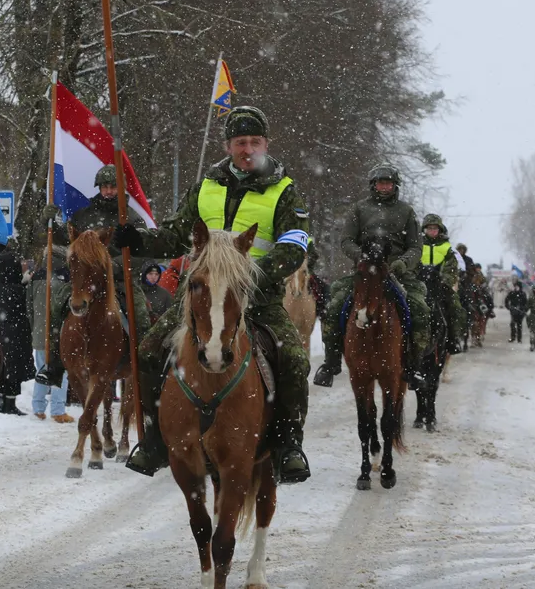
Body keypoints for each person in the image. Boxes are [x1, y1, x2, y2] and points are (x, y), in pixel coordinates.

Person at [118, 106, 313, 483]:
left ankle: (288, 444)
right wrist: (139, 239)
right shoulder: (205, 187)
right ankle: (154, 439)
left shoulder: (285, 191)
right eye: (240, 142)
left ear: (266, 144)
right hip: (200, 300)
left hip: (258, 298)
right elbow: (175, 234)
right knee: (147, 352)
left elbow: (293, 248)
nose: (247, 149)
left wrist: (246, 276)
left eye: (254, 141)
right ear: (227, 146)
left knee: (292, 359)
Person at [33, 165, 151, 387]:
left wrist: (112, 267)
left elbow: (140, 251)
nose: (109, 191)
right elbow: (66, 238)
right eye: (105, 187)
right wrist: (48, 222)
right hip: (84, 281)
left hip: (119, 281)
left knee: (140, 312)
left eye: (113, 187)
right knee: (57, 304)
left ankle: (144, 360)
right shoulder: (84, 215)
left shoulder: (132, 218)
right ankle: (54, 365)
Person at [315, 164, 431, 388]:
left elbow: (416, 247)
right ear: (373, 185)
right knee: (334, 307)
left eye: (388, 183)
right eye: (380, 183)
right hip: (365, 273)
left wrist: (402, 263)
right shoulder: (359, 209)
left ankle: (413, 366)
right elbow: (346, 240)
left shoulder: (406, 212)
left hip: (398, 274)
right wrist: (361, 256)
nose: (384, 187)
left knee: (421, 311)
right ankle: (330, 363)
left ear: (395, 186)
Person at [0, 240, 36, 415]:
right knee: (13, 368)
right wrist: (25, 284)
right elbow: (19, 302)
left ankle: (4, 401)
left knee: (6, 368)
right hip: (16, 334)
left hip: (5, 332)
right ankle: (9, 404)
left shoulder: (0, 287)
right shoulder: (14, 289)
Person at [29, 254, 75, 423]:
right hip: (58, 333)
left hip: (40, 331)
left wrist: (35, 326)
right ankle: (57, 410)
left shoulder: (36, 277)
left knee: (42, 369)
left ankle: (38, 407)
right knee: (60, 371)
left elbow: (29, 307)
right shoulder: (65, 279)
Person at [417, 214, 466, 354]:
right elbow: (412, 263)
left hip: (439, 284)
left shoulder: (447, 247)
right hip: (419, 284)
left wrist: (444, 279)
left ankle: (453, 339)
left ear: (440, 230)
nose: (432, 231)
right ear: (425, 229)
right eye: (429, 228)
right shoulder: (417, 245)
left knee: (455, 306)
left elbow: (451, 268)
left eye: (435, 228)